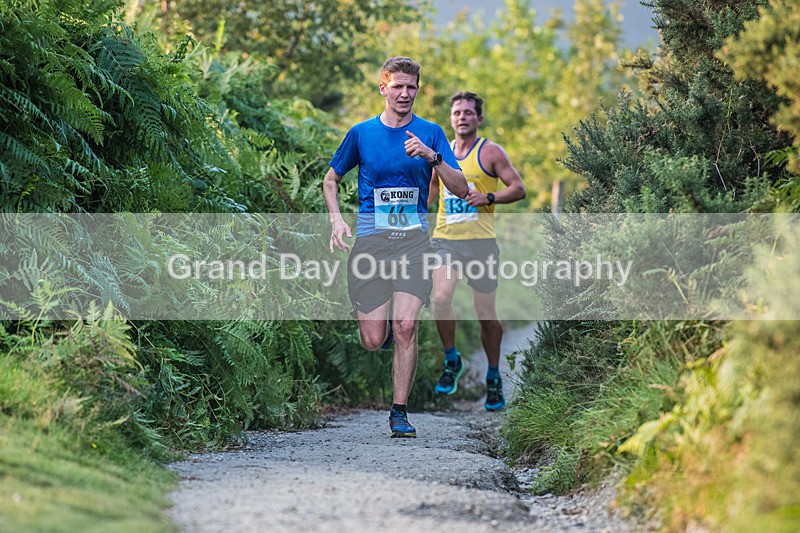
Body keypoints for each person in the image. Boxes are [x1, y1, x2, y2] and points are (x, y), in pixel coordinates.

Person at [322, 57, 468, 437]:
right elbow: (330, 180)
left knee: (407, 326)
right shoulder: (362, 134)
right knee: (373, 340)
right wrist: (336, 219)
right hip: (372, 244)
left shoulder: (431, 133)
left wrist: (433, 157)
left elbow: (461, 188)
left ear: (418, 89)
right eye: (398, 86)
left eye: (411, 87)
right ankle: (383, 323)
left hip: (414, 245)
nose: (405, 93)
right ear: (383, 88)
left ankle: (399, 411)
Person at [428, 91, 526, 411]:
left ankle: (494, 376)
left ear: (479, 119)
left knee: (486, 316)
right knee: (440, 297)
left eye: (468, 112)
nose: (462, 117)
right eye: (457, 112)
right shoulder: (441, 153)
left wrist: (489, 198)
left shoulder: (491, 152)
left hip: (481, 243)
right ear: (451, 118)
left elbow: (518, 188)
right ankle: (451, 358)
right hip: (445, 240)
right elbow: (431, 191)